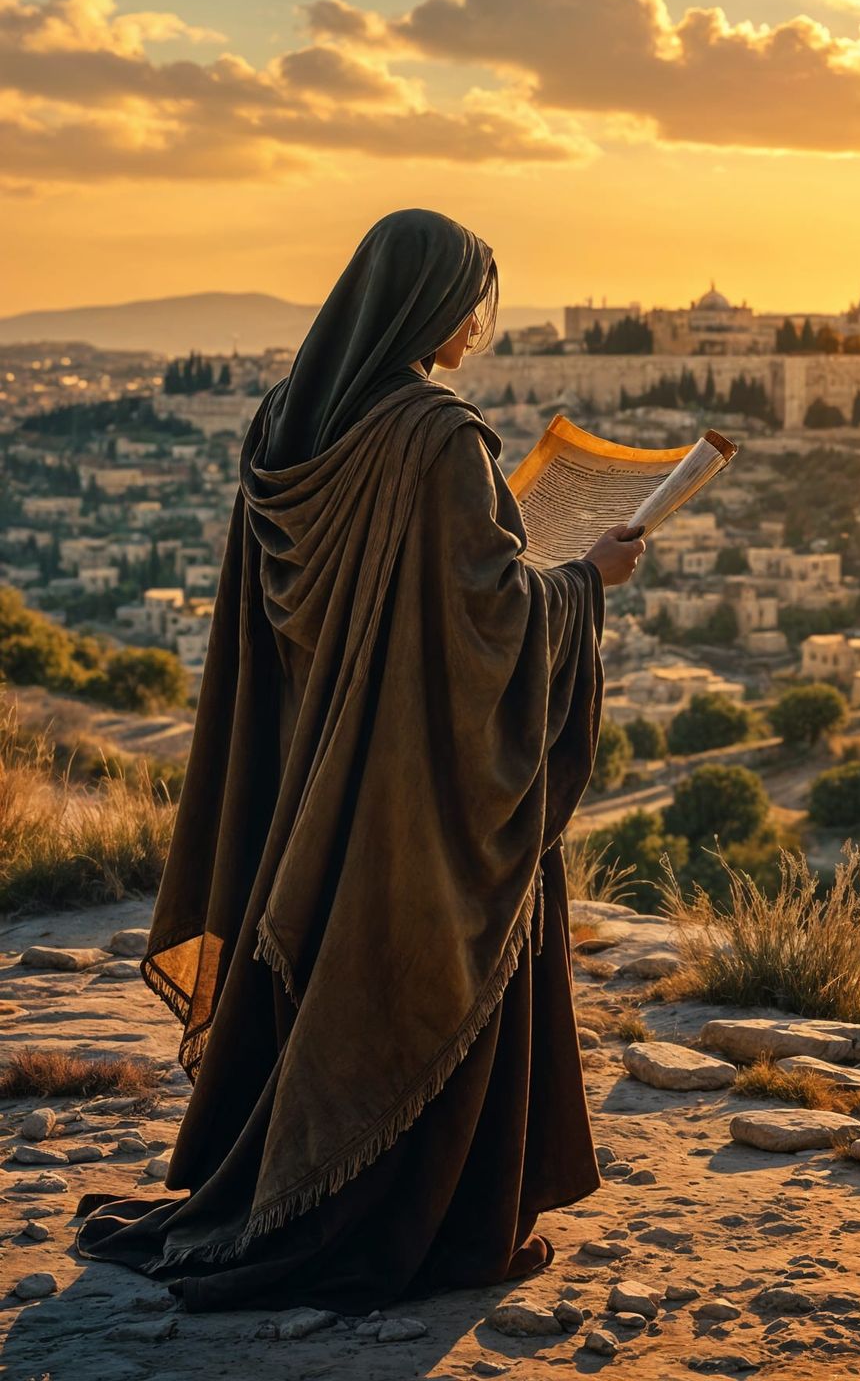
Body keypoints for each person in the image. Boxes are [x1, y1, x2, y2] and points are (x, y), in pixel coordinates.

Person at [72, 208, 645, 1313]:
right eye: (470, 302)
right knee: (435, 964)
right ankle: (429, 1222)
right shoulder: (438, 435)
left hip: (307, 762)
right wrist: (586, 582)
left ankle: (284, 1177)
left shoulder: (285, 418)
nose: (475, 328)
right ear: (429, 304)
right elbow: (487, 608)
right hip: (412, 785)